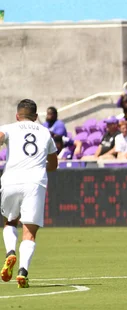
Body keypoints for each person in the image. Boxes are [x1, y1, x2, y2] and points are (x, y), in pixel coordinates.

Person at [0, 99, 58, 288]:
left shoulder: (9, 127)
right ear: (36, 116)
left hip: (10, 180)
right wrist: (40, 167)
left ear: (17, 116)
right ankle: (23, 272)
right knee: (29, 232)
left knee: (10, 222)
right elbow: (54, 164)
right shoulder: (44, 132)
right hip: (35, 182)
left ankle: (10, 253)